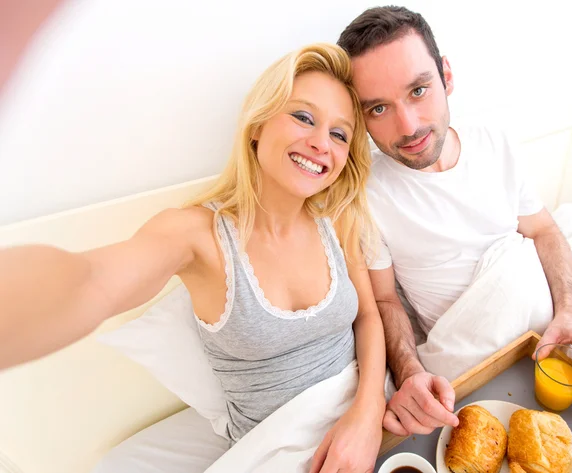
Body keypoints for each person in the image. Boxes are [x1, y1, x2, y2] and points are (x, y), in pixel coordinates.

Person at [0, 43, 386, 472]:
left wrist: (368, 413)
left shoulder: (337, 218)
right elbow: (89, 281)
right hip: (280, 450)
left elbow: (368, 316)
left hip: (369, 417)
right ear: (257, 125)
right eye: (303, 117)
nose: (320, 144)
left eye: (339, 134)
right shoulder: (195, 235)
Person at [337, 6, 572, 437]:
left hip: (556, 326)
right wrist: (408, 372)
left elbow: (544, 230)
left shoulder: (493, 142)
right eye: (379, 109)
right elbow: (384, 300)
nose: (408, 126)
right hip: (476, 349)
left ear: (446, 76)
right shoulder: (365, 192)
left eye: (419, 91)